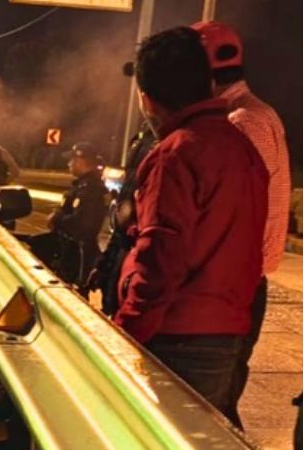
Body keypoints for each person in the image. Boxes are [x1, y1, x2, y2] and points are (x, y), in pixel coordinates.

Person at [114, 27, 268, 424]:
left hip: (176, 338)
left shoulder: (176, 153)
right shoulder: (242, 147)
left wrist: (123, 330)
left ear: (147, 100)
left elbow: (163, 257)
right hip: (226, 334)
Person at [192, 20, 292, 428]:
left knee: (210, 412)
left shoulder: (238, 123)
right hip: (246, 283)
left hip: (232, 287)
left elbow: (228, 217)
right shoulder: (259, 113)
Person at [82, 123, 155, 316]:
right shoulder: (144, 137)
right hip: (125, 253)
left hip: (140, 262)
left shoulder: (168, 144)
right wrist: (106, 263)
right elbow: (125, 214)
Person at [30, 142, 108, 286]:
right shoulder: (82, 185)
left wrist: (57, 218)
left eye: (72, 160)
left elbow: (82, 225)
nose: (69, 163)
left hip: (78, 256)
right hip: (68, 251)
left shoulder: (91, 189)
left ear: (81, 161)